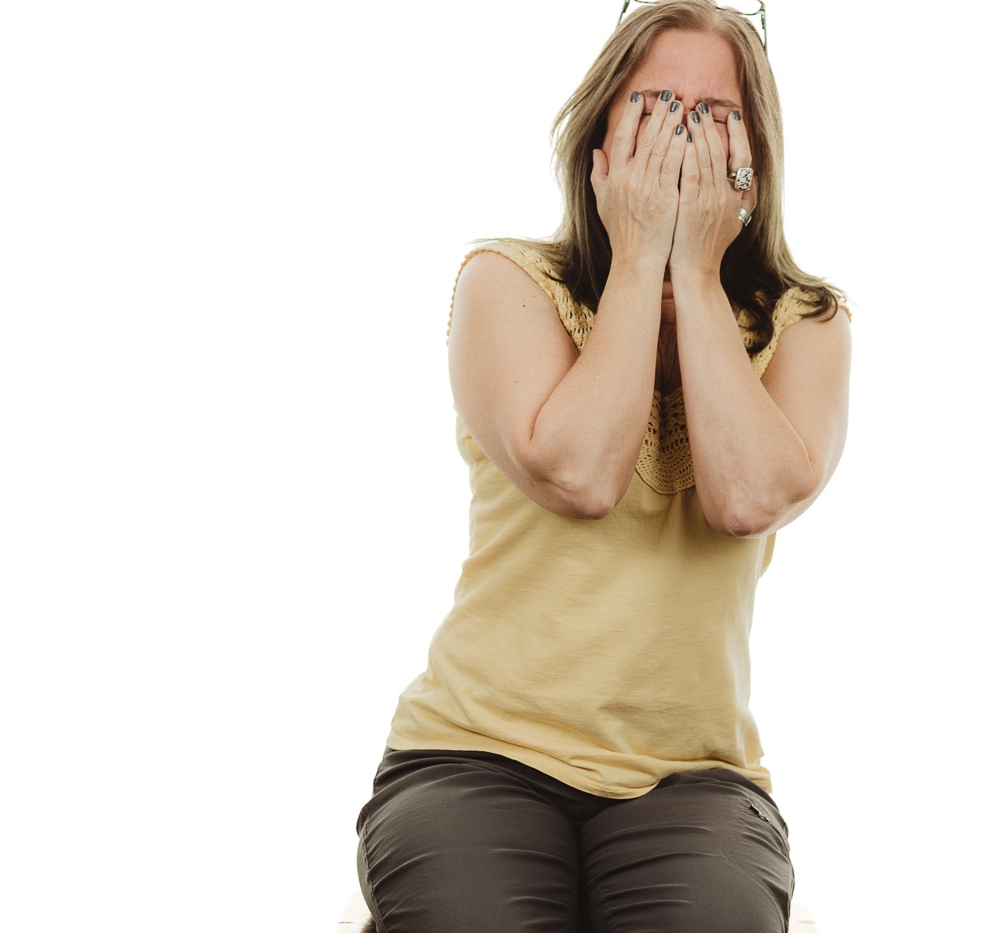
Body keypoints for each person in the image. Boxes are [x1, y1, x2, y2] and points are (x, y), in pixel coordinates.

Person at [356, 1, 851, 930]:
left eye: (714, 116)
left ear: (756, 156)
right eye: (658, 106)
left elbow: (748, 496)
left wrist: (697, 274)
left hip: (695, 782)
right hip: (474, 756)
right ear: (601, 140)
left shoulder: (807, 324)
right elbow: (579, 472)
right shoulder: (505, 282)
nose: (682, 137)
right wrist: (638, 258)